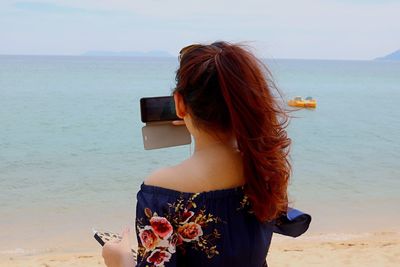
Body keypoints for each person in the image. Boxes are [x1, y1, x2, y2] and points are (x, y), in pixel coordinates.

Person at [102, 41, 311, 267]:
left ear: (180, 105)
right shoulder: (264, 169)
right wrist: (201, 123)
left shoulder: (160, 191)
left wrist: (120, 261)